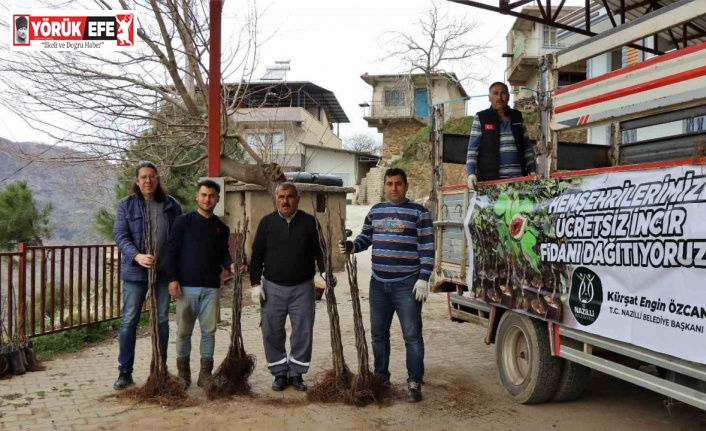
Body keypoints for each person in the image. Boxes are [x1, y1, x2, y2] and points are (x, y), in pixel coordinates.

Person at [339, 168, 434, 403]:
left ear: (406, 185)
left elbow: (427, 248)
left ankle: (414, 382)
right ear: (384, 186)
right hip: (378, 284)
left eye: (398, 184)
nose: (394, 188)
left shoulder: (419, 213)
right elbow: (366, 238)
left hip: (407, 284)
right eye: (390, 184)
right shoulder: (376, 211)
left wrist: (424, 277)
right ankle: (381, 377)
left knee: (412, 335)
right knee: (378, 335)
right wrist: (352, 246)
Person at [249, 182, 336, 392]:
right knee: (271, 331)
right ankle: (279, 373)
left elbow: (320, 252)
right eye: (281, 197)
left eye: (289, 196)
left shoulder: (309, 222)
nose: (285, 201)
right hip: (272, 287)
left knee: (303, 331)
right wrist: (254, 284)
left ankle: (296, 373)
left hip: (303, 288)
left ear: (297, 199)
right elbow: (257, 255)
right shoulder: (267, 223)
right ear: (276, 199)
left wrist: (325, 272)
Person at [113, 161, 182, 390]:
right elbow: (121, 236)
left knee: (162, 320)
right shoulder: (127, 206)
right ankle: (125, 372)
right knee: (129, 320)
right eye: (143, 177)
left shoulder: (171, 205)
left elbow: (178, 240)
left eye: (152, 176)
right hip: (135, 273)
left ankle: (160, 367)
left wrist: (175, 273)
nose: (148, 181)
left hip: (163, 273)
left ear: (158, 179)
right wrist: (137, 256)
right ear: (137, 181)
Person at [166, 179, 235, 388]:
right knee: (183, 332)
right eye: (204, 195)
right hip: (186, 288)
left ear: (218, 199)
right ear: (197, 196)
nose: (207, 199)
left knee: (209, 332)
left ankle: (205, 374)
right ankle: (183, 374)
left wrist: (231, 265)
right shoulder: (183, 222)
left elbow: (223, 254)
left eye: (212, 195)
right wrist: (172, 279)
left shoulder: (221, 228)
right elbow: (172, 252)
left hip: (211, 288)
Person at [466, 82, 536, 190]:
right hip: (491, 184)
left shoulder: (517, 117)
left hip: (519, 183)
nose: (499, 97)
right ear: (489, 98)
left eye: (503, 93)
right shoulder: (481, 118)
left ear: (508, 97)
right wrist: (471, 174)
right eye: (495, 93)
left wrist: (532, 170)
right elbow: (472, 150)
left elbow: (527, 147)